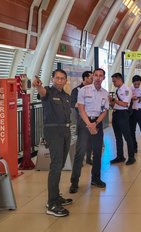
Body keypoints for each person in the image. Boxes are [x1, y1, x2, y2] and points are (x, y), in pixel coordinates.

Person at [33, 69, 72, 217]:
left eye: (62, 78)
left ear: (65, 80)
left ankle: (56, 196)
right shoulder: (48, 92)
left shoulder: (66, 96)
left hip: (66, 132)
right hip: (54, 132)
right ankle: (52, 203)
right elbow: (42, 92)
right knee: (56, 165)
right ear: (53, 78)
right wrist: (38, 86)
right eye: (57, 78)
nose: (60, 81)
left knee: (60, 164)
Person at [69, 68, 109, 192]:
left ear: (103, 78)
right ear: (92, 77)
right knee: (80, 152)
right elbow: (81, 109)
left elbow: (105, 111)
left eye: (100, 75)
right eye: (95, 75)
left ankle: (95, 179)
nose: (98, 78)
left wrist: (95, 123)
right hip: (84, 122)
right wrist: (89, 124)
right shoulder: (84, 90)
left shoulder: (105, 93)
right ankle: (74, 182)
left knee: (97, 152)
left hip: (97, 122)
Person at [109, 73, 136, 165]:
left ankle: (131, 157)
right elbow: (115, 104)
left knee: (127, 136)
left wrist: (113, 100)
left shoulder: (126, 90)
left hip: (123, 114)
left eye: (114, 81)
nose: (113, 83)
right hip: (116, 113)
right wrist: (111, 103)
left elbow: (125, 104)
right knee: (117, 137)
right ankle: (120, 156)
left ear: (120, 80)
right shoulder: (117, 90)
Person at [71, 71, 94, 165]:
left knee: (90, 140)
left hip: (92, 118)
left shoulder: (94, 89)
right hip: (81, 119)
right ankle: (79, 160)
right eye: (91, 78)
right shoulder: (76, 90)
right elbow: (72, 103)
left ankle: (89, 158)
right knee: (81, 141)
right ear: (85, 78)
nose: (92, 80)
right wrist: (83, 106)